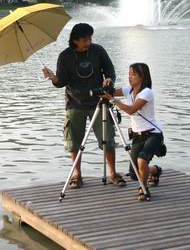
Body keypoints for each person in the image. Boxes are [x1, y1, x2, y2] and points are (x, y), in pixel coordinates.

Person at [42, 23, 126, 189]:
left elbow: (110, 69)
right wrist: (53, 78)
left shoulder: (98, 50)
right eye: (85, 39)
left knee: (108, 139)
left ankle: (112, 173)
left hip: (99, 101)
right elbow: (62, 82)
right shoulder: (65, 56)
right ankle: (77, 174)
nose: (89, 42)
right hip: (75, 103)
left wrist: (109, 79)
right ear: (75, 40)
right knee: (74, 141)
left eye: (90, 38)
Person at [102, 63, 163, 201]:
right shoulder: (128, 90)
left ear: (142, 77)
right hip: (137, 135)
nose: (130, 77)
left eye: (133, 74)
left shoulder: (147, 92)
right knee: (135, 174)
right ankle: (155, 170)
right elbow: (110, 91)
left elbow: (131, 110)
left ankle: (144, 188)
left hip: (153, 133)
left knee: (141, 160)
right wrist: (105, 86)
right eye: (129, 74)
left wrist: (112, 100)